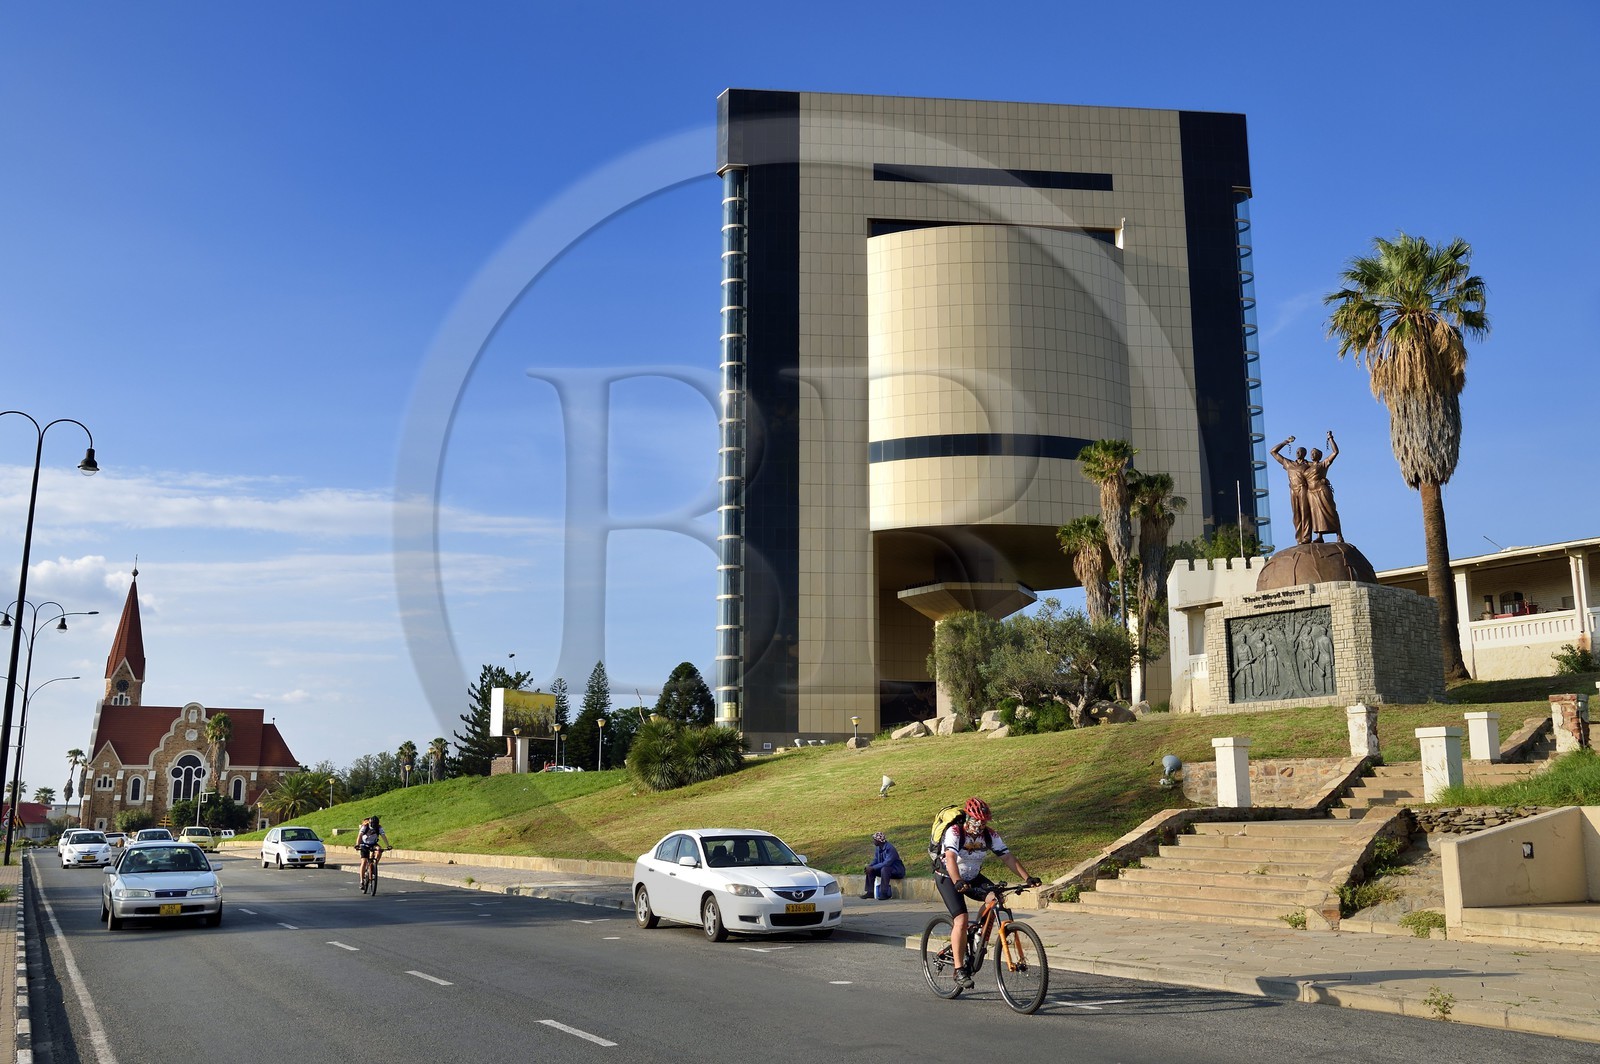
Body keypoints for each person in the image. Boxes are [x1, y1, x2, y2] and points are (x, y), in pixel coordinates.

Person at [935, 798, 1039, 988]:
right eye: (977, 820)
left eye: (984, 821)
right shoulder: (955, 832)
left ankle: (976, 933)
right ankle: (959, 970)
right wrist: (958, 881)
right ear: (968, 817)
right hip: (949, 877)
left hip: (972, 876)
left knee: (996, 897)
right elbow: (950, 858)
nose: (981, 825)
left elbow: (1007, 857)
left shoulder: (989, 835)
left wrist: (1027, 878)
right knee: (961, 920)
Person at [1304, 431, 1342, 543]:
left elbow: (1335, 452)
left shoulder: (1323, 464)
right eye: (1311, 453)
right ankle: (1319, 535)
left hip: (1321, 490)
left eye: (1315, 453)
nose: (1312, 455)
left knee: (1331, 511)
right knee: (1315, 514)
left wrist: (1330, 438)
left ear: (1319, 456)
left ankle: (1339, 534)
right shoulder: (1307, 466)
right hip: (1311, 492)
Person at [861, 831, 905, 900]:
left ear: (879, 841)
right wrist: (870, 866)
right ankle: (870, 892)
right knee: (870, 870)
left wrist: (873, 867)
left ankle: (884, 893)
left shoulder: (890, 848)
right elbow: (875, 860)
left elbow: (887, 863)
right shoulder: (878, 848)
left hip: (896, 871)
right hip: (885, 870)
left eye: (874, 840)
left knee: (885, 869)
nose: (873, 841)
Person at [357, 815, 390, 892]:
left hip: (373, 843)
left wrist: (388, 845)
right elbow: (359, 835)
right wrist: (357, 845)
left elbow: (383, 836)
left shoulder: (379, 827)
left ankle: (374, 865)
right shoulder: (365, 826)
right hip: (364, 844)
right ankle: (362, 881)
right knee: (364, 861)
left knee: (379, 850)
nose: (374, 826)